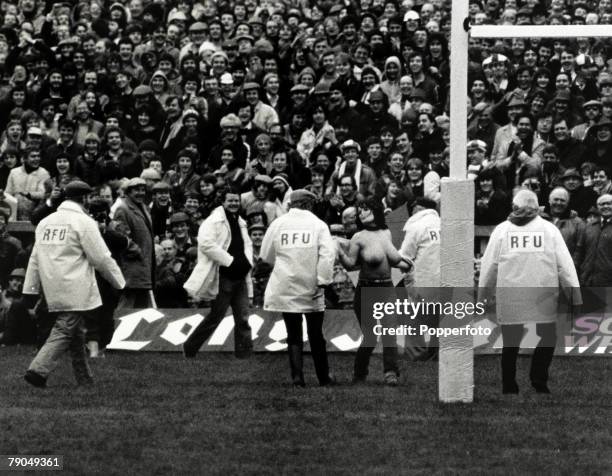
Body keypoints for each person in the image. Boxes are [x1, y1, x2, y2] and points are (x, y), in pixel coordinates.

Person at [22, 181, 125, 388]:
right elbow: (101, 258)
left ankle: (84, 379)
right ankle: (37, 370)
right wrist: (120, 282)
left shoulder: (45, 222)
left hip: (52, 285)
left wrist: (30, 289)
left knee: (77, 333)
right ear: (85, 199)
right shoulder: (84, 222)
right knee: (65, 329)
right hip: (76, 286)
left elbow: (34, 258)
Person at [478, 190, 581, 394]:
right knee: (547, 337)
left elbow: (489, 266)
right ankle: (539, 380)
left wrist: (482, 298)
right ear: (537, 207)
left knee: (511, 340)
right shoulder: (549, 230)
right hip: (542, 293)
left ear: (514, 207)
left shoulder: (502, 230)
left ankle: (509, 384)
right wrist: (575, 296)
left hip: (511, 293)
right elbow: (565, 266)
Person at [259, 189, 336, 387]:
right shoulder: (319, 225)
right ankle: (323, 377)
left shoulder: (278, 223)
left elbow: (266, 255)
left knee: (293, 333)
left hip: (285, 284)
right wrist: (323, 280)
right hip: (311, 284)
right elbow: (328, 255)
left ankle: (297, 377)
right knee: (316, 333)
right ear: (309, 204)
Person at [336, 196, 412, 386]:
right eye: (359, 210)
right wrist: (339, 253)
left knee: (389, 333)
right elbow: (352, 264)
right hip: (366, 290)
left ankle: (391, 373)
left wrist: (408, 263)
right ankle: (360, 374)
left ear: (375, 211)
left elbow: (394, 259)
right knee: (369, 336)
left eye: (365, 209)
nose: (361, 213)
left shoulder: (385, 233)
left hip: (386, 288)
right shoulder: (358, 237)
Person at [183, 187, 253, 358]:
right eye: (230, 200)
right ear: (223, 202)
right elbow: (205, 244)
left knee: (243, 318)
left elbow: (247, 246)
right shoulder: (213, 221)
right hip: (224, 277)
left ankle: (244, 356)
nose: (234, 203)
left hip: (240, 277)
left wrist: (247, 263)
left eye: (236, 200)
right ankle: (190, 347)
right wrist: (229, 261)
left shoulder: (240, 221)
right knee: (216, 316)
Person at [114, 177, 155, 309]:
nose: (141, 193)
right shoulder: (123, 209)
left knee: (142, 306)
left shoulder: (144, 208)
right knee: (127, 305)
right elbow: (121, 238)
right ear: (128, 192)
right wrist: (137, 251)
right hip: (132, 267)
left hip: (144, 266)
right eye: (136, 190)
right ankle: (119, 329)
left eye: (143, 190)